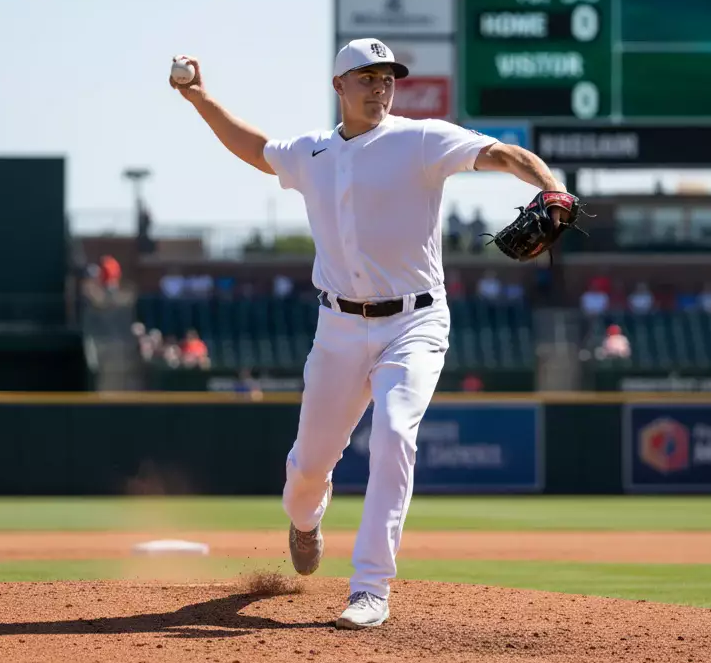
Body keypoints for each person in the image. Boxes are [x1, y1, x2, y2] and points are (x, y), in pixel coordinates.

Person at [170, 38, 574, 629]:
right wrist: (199, 97)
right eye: (366, 76)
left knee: (394, 434)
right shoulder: (312, 153)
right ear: (339, 86)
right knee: (307, 471)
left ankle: (370, 589)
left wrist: (551, 188)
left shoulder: (421, 139)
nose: (380, 85)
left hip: (416, 321)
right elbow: (253, 147)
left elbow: (504, 155)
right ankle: (305, 521)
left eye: (387, 76)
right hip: (337, 327)